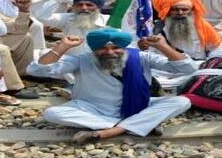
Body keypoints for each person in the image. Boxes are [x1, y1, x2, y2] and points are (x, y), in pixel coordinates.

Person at [29, 29, 198, 143]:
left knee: (182, 101)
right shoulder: (82, 59)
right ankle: (136, 125)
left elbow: (187, 68)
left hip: (138, 106)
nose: (110, 52)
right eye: (102, 48)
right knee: (52, 113)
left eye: (116, 48)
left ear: (124, 47)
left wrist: (163, 46)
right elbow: (37, 70)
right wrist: (63, 46)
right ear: (94, 49)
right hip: (92, 109)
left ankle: (110, 131)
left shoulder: (142, 57)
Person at [149, 0, 222, 61]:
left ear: (191, 11)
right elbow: (150, 51)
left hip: (197, 68)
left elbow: (218, 48)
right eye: (175, 9)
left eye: (184, 10)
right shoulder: (157, 28)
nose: (180, 13)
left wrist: (208, 64)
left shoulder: (202, 26)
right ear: (167, 10)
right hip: (164, 71)